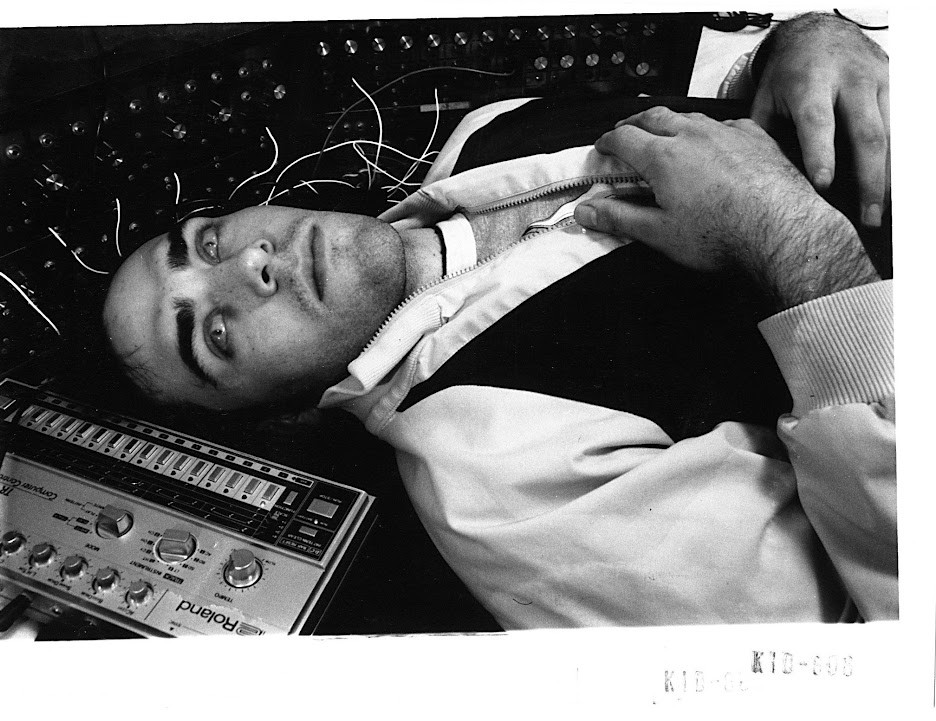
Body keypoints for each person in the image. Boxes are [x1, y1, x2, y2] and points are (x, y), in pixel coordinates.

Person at [103, 12, 894, 627]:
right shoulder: (495, 477)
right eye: (214, 334)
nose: (249, 266)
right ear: (279, 419)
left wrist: (800, 46)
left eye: (207, 242)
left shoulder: (488, 129)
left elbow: (734, 116)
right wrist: (791, 241)